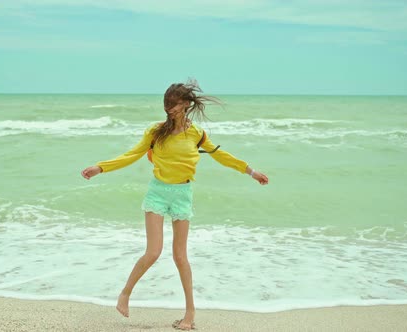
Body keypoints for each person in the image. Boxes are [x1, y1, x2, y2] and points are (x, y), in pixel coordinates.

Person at [81, 80, 269, 331]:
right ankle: (125, 293)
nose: (170, 108)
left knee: (181, 256)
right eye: (167, 103)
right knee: (153, 252)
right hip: (158, 193)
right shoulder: (155, 131)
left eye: (175, 103)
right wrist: (100, 168)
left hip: (183, 194)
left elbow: (221, 156)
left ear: (186, 104)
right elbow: (132, 154)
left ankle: (190, 314)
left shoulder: (197, 134)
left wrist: (251, 171)